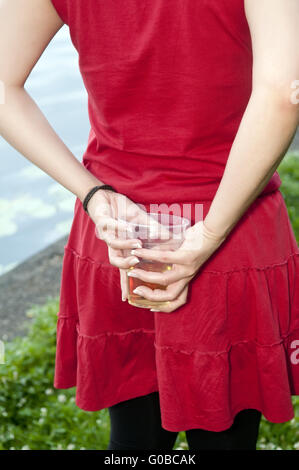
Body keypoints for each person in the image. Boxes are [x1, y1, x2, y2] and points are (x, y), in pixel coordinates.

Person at [0, 0, 298, 451]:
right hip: (233, 230)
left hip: (119, 233)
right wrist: (211, 232)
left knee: (135, 440)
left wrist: (93, 194)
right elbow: (284, 92)